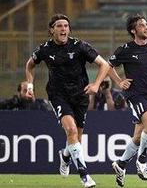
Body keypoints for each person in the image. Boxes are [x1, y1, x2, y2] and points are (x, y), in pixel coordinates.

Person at [25, 13, 110, 188]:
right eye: (59, 26)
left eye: (66, 26)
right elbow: (30, 65)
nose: (63, 29)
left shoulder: (80, 46)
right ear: (52, 30)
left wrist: (96, 84)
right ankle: (85, 176)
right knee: (70, 130)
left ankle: (65, 156)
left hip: (80, 95)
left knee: (76, 138)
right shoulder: (45, 49)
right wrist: (30, 86)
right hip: (58, 95)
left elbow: (104, 64)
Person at [108, 14, 147, 187]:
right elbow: (108, 66)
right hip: (135, 94)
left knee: (138, 136)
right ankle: (142, 161)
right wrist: (119, 81)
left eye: (146, 24)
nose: (146, 27)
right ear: (133, 31)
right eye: (141, 25)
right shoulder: (125, 49)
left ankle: (120, 164)